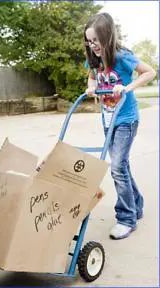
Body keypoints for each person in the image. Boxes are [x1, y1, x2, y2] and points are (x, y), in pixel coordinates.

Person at [84, 13, 156, 240]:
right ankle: (137, 204)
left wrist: (127, 87)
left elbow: (150, 72)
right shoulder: (94, 59)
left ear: (106, 36)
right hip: (108, 119)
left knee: (116, 167)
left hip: (126, 119)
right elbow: (92, 78)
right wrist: (91, 88)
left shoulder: (122, 56)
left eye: (95, 40)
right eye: (88, 40)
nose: (92, 45)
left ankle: (126, 218)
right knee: (120, 166)